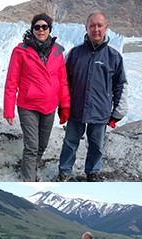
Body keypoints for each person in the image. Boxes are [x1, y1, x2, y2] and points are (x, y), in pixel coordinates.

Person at [56, 11, 128, 182]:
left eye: (99, 25)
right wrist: (63, 105)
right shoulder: (75, 54)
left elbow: (120, 85)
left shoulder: (114, 56)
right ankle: (64, 172)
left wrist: (118, 112)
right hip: (76, 109)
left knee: (96, 146)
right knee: (70, 143)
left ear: (106, 28)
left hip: (100, 111)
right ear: (86, 28)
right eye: (92, 26)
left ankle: (93, 172)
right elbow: (63, 82)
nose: (96, 29)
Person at [3, 13, 71, 181]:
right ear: (32, 29)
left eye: (44, 27)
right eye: (37, 27)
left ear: (50, 29)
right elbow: (11, 81)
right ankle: (29, 178)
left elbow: (62, 82)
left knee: (42, 144)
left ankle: (31, 165)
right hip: (28, 106)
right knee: (32, 145)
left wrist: (65, 106)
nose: (41, 30)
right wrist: (9, 110)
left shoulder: (57, 52)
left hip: (49, 106)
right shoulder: (21, 51)